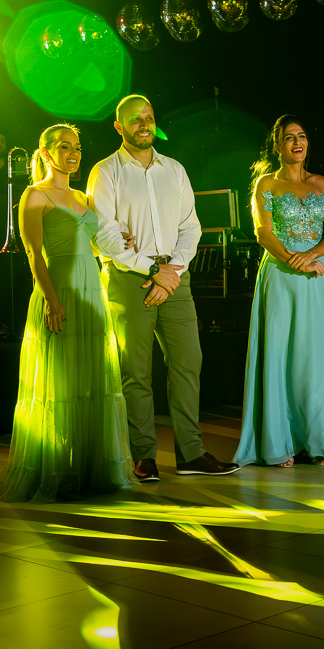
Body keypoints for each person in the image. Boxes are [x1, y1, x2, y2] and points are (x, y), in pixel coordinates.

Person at [0, 124, 153, 501]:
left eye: (77, 147)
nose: (73, 153)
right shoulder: (34, 195)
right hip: (60, 290)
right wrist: (51, 300)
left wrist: (120, 241)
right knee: (60, 386)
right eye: (64, 147)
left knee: (92, 382)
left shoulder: (83, 195)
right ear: (46, 152)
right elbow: (34, 253)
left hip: (91, 291)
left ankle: (89, 467)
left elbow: (94, 244)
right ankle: (59, 470)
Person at [88, 94, 238, 480]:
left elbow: (191, 227)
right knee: (136, 371)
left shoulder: (174, 169)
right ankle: (144, 456)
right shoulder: (105, 172)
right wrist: (153, 270)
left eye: (150, 117)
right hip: (129, 280)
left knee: (189, 364)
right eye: (135, 119)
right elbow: (104, 234)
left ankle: (191, 454)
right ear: (119, 127)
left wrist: (171, 270)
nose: (144, 124)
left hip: (175, 280)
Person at [233, 115, 324, 467]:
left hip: (316, 276)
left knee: (315, 359)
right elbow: (264, 233)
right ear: (278, 146)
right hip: (280, 274)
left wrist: (311, 256)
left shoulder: (320, 184)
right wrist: (294, 259)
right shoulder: (266, 184)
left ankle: (318, 440)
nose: (297, 142)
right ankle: (281, 442)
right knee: (282, 356)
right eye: (289, 138)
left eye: (302, 136)